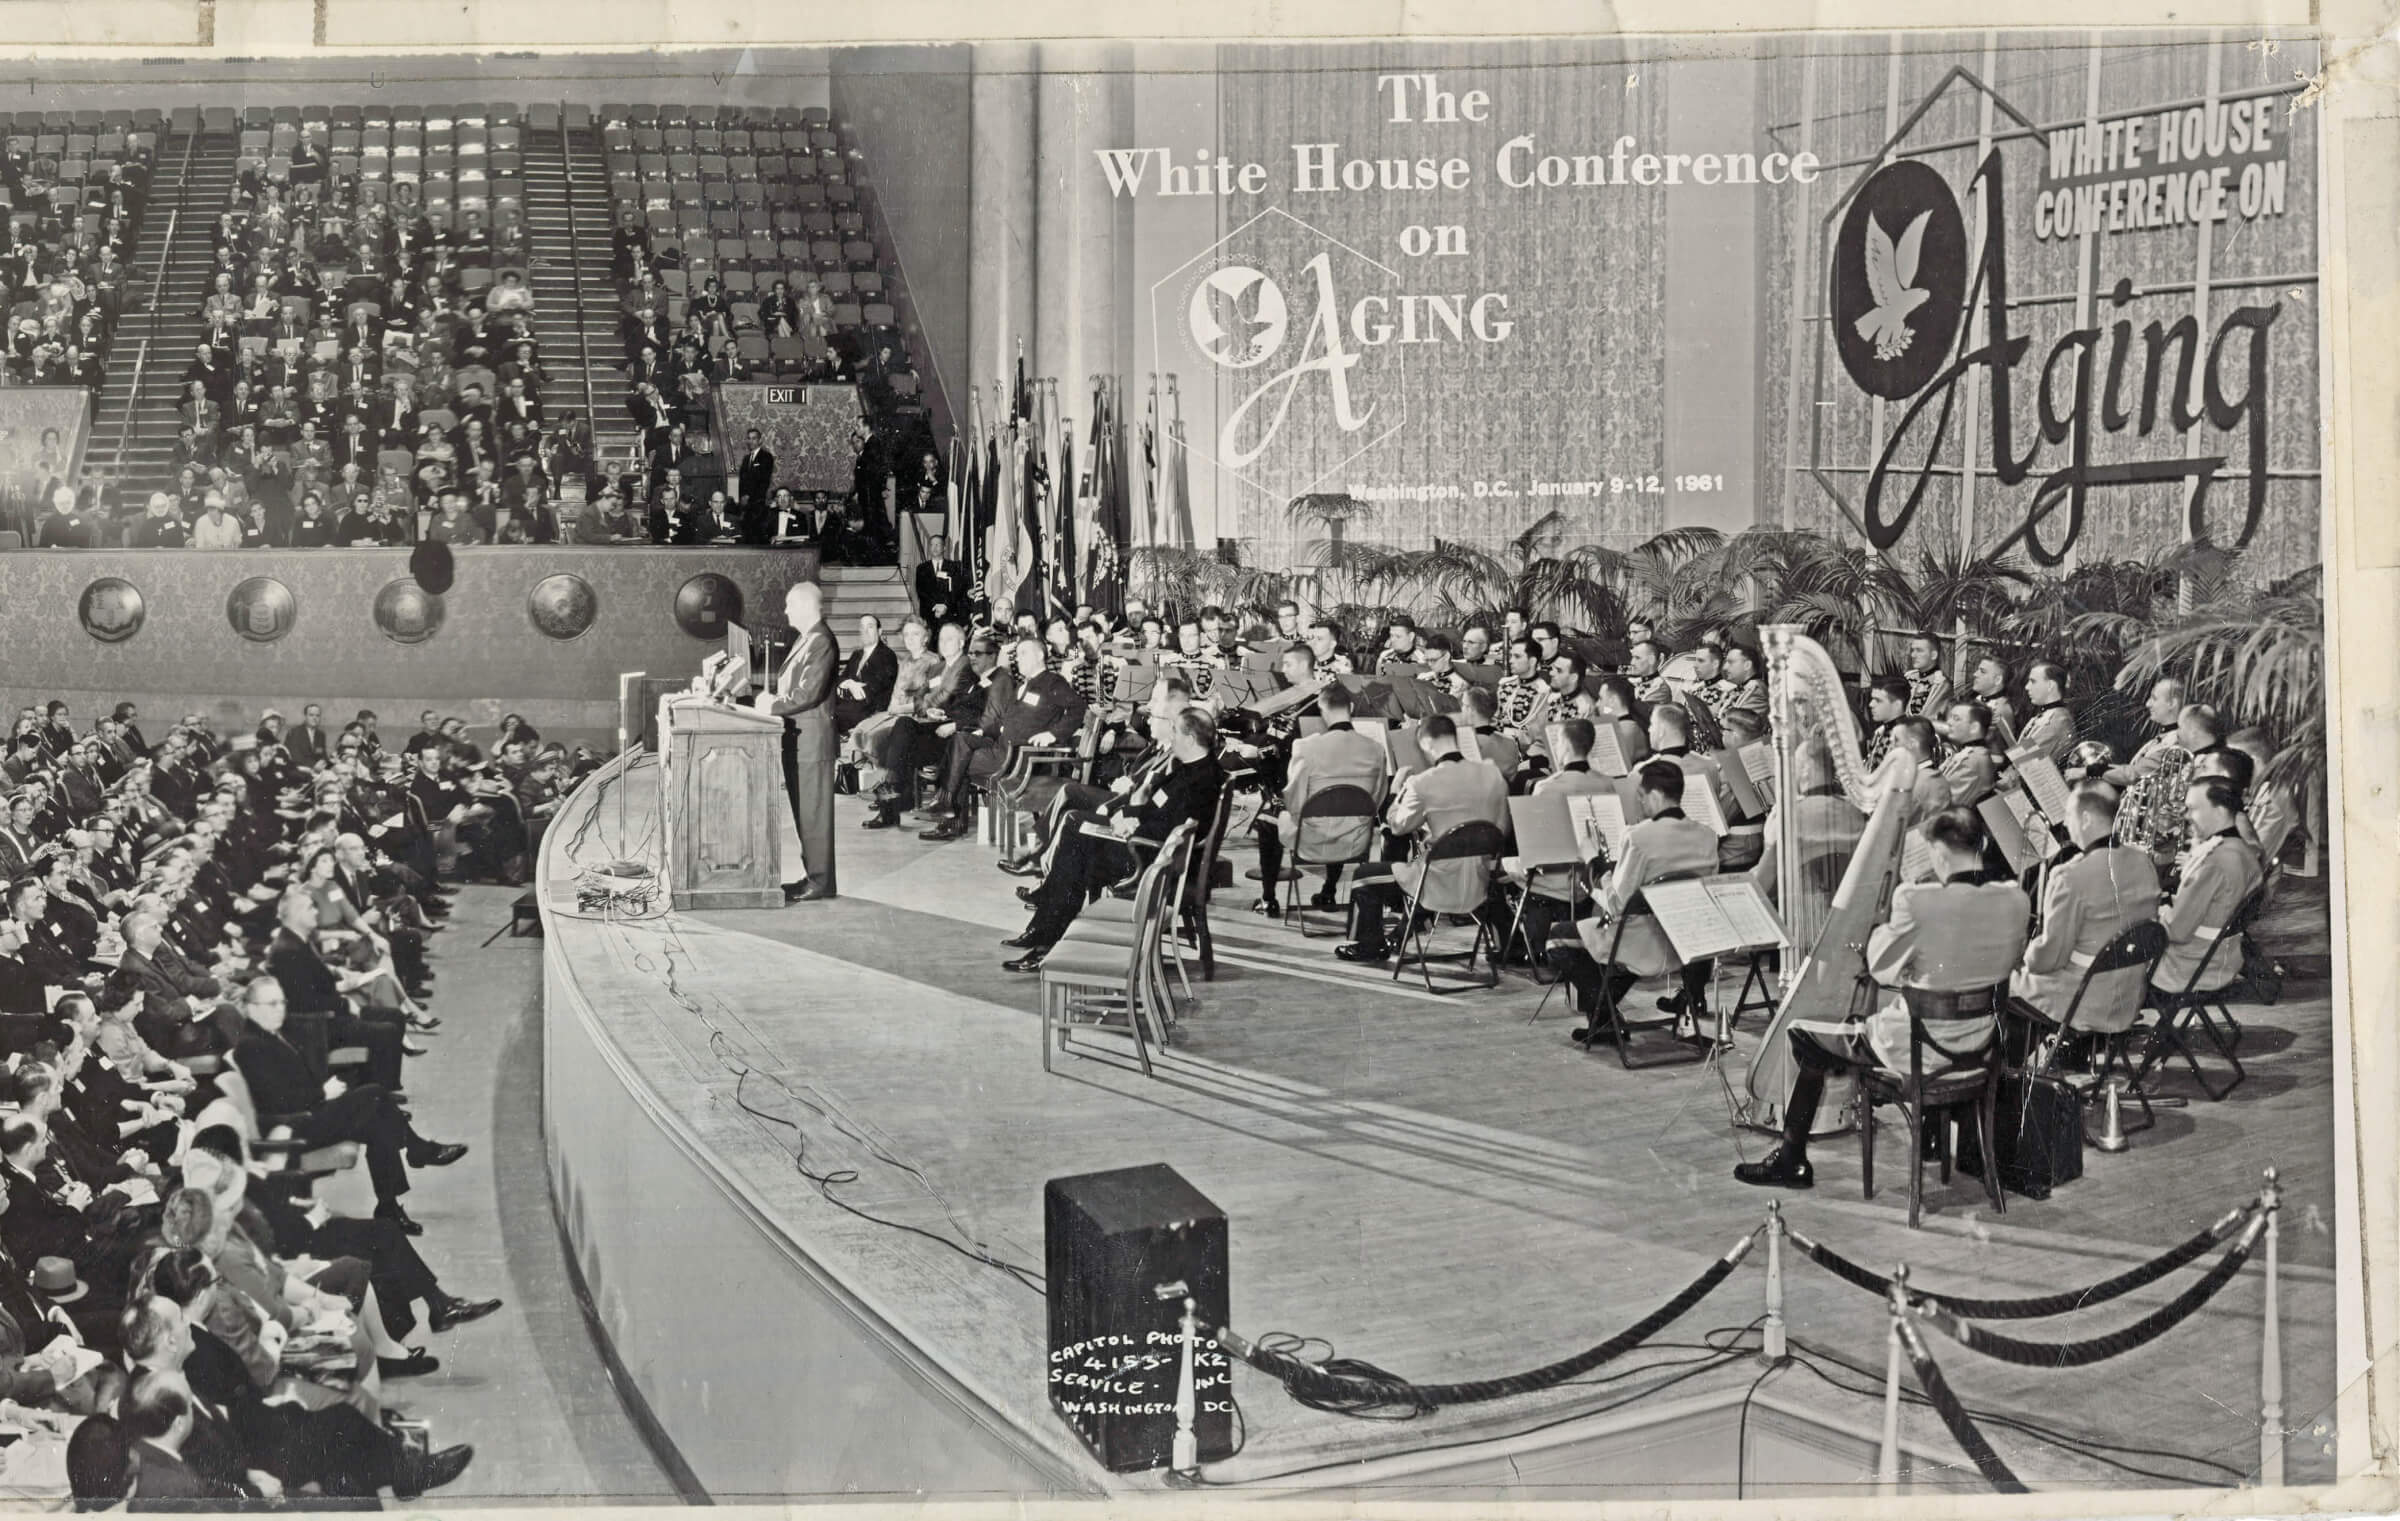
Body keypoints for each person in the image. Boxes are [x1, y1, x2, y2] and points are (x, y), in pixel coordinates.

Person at [1735, 806, 2029, 1190]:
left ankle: (1791, 1160)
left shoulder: (1917, 900)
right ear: (1984, 843)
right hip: (1981, 1049)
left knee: (1802, 1035)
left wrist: (1886, 928)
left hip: (1919, 1050)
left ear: (1937, 854)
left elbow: (1880, 968)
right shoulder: (2016, 899)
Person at [229, 977, 463, 1235]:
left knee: (377, 1121)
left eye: (281, 1002)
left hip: (307, 1115)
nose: (280, 1009)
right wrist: (321, 1093)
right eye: (271, 1004)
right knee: (374, 1096)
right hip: (292, 1126)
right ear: (251, 1007)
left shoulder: (272, 1034)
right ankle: (417, 1150)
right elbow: (273, 1100)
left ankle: (389, 1205)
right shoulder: (250, 1046)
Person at [999, 708, 1226, 973]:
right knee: (1076, 832)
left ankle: (1044, 939)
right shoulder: (1189, 769)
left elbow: (1173, 830)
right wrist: (1127, 815)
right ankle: (1044, 936)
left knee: (1074, 856)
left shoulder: (1201, 780)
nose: (1171, 737)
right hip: (1149, 846)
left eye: (1175, 731)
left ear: (1189, 739)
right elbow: (1157, 807)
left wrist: (1130, 826)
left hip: (1154, 862)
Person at [1552, 759, 1723, 1040]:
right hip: (1685, 942)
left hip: (1642, 942)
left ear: (1655, 796)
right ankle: (1682, 1008)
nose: (1641, 805)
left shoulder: (1639, 836)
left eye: (1642, 798)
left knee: (1557, 939)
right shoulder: (1707, 836)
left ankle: (1605, 1017)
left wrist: (1593, 861)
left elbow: (1617, 904)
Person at [1335, 715, 1508, 965]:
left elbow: (1397, 826)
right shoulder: (1492, 773)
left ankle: (1370, 946)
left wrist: (1397, 791)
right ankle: (1415, 924)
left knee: (1365, 875)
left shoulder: (1423, 782)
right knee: (1427, 854)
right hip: (1480, 881)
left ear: (1425, 743)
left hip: (1437, 883)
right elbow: (1500, 829)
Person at [2012, 784, 2160, 1047]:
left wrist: (2023, 954)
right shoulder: (2142, 861)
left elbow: (2049, 959)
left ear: (2086, 819)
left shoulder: (2071, 876)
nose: (2066, 825)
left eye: (2068, 816)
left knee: (1998, 982)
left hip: (2082, 999)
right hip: (2127, 996)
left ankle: (2016, 1076)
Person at [919, 638, 1086, 843]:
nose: (1018, 658)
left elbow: (1078, 708)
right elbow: (1004, 719)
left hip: (1019, 756)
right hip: (1001, 747)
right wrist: (982, 732)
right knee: (960, 740)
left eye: (1024, 653)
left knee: (958, 759)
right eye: (1017, 654)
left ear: (1040, 655)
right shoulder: (1025, 685)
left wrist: (1052, 734)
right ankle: (947, 805)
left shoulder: (1052, 681)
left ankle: (949, 812)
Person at [1251, 680, 1387, 918]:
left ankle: (1268, 898)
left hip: (1311, 841)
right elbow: (1377, 798)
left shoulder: (1307, 747)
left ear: (1323, 712)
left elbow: (1294, 802)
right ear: (1351, 710)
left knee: (1266, 821)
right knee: (1342, 810)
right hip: (1355, 838)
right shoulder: (1375, 749)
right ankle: (1329, 889)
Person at [758, 582, 841, 902]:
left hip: (812, 742)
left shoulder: (821, 641)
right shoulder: (808, 639)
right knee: (805, 814)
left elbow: (809, 693)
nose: (785, 611)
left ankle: (821, 882)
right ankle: (813, 875)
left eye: (790, 605)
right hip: (798, 740)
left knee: (814, 814)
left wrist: (772, 705)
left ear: (806, 606)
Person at [2153, 775, 2265, 995]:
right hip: (2219, 959)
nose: (2186, 816)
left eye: (2193, 809)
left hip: (2185, 967)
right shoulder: (2239, 850)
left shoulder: (2214, 861)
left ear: (2220, 811)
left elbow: (2176, 931)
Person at [831, 614, 900, 739]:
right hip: (851, 706)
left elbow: (875, 687)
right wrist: (850, 684)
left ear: (879, 631)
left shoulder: (887, 655)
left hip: (870, 709)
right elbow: (841, 678)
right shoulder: (856, 655)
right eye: (862, 627)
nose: (865, 631)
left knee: (829, 716)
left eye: (870, 627)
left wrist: (847, 688)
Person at [914, 532, 973, 626]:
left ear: (944, 548)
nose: (934, 547)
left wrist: (945, 605)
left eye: (938, 544)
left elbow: (957, 589)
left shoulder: (954, 567)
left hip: (950, 613)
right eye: (932, 545)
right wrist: (935, 606)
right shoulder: (921, 568)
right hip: (929, 614)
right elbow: (921, 590)